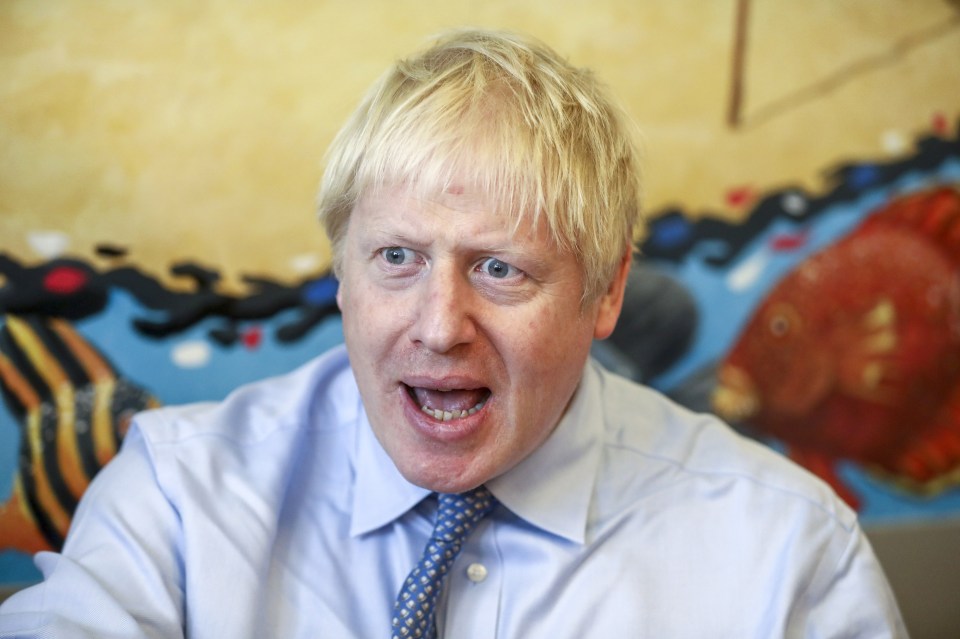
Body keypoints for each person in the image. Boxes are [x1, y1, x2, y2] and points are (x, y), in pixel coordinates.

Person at [0, 28, 907, 638]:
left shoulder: (791, 556)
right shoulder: (175, 499)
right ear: (342, 273)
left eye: (501, 268)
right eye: (396, 256)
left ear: (606, 292)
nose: (439, 326)